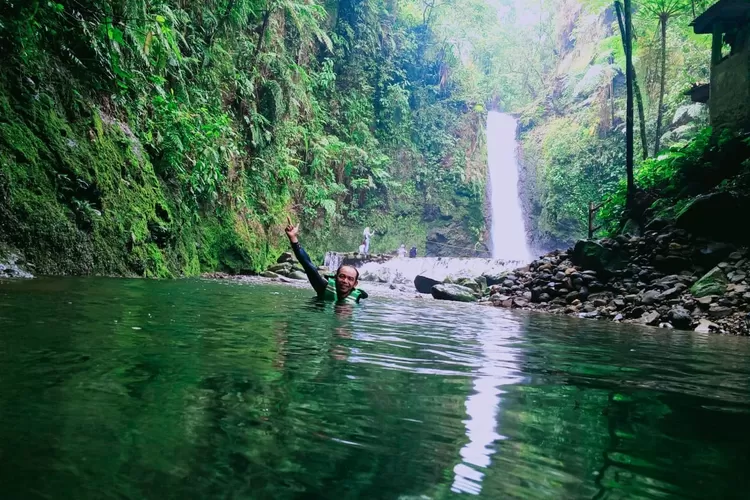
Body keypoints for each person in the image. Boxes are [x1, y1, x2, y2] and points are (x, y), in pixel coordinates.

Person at [285, 216, 368, 304]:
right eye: (342, 276)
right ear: (335, 277)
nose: (345, 281)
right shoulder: (323, 288)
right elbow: (308, 265)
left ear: (355, 284)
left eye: (350, 279)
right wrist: (293, 238)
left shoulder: (357, 300)